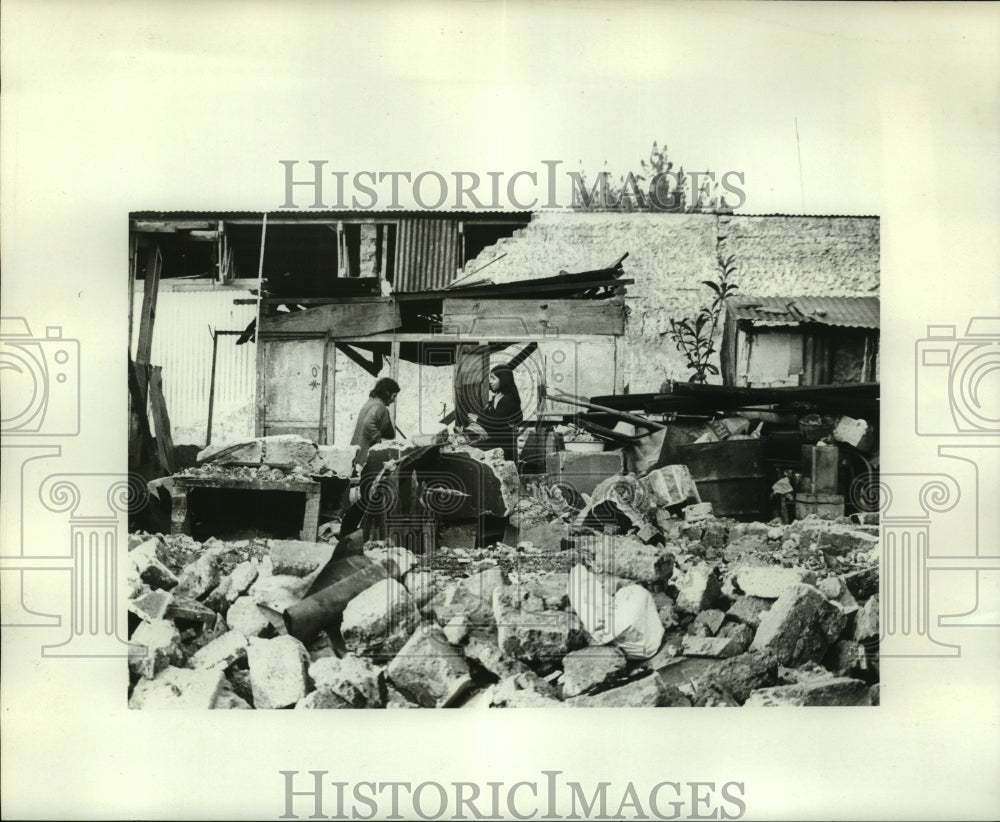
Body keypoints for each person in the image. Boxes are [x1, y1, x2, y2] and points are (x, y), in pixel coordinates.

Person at [469, 364, 523, 462]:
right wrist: (489, 405)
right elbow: (489, 417)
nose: (490, 381)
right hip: (496, 441)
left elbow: (496, 424)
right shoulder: (498, 396)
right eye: (490, 378)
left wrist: (477, 419)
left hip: (504, 445)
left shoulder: (509, 399)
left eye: (493, 378)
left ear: (503, 380)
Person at [350, 377, 400, 467]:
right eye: (394, 396)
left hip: (356, 451)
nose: (393, 400)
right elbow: (368, 423)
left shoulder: (371, 402)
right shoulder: (379, 406)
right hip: (364, 453)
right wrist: (378, 439)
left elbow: (389, 434)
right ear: (387, 393)